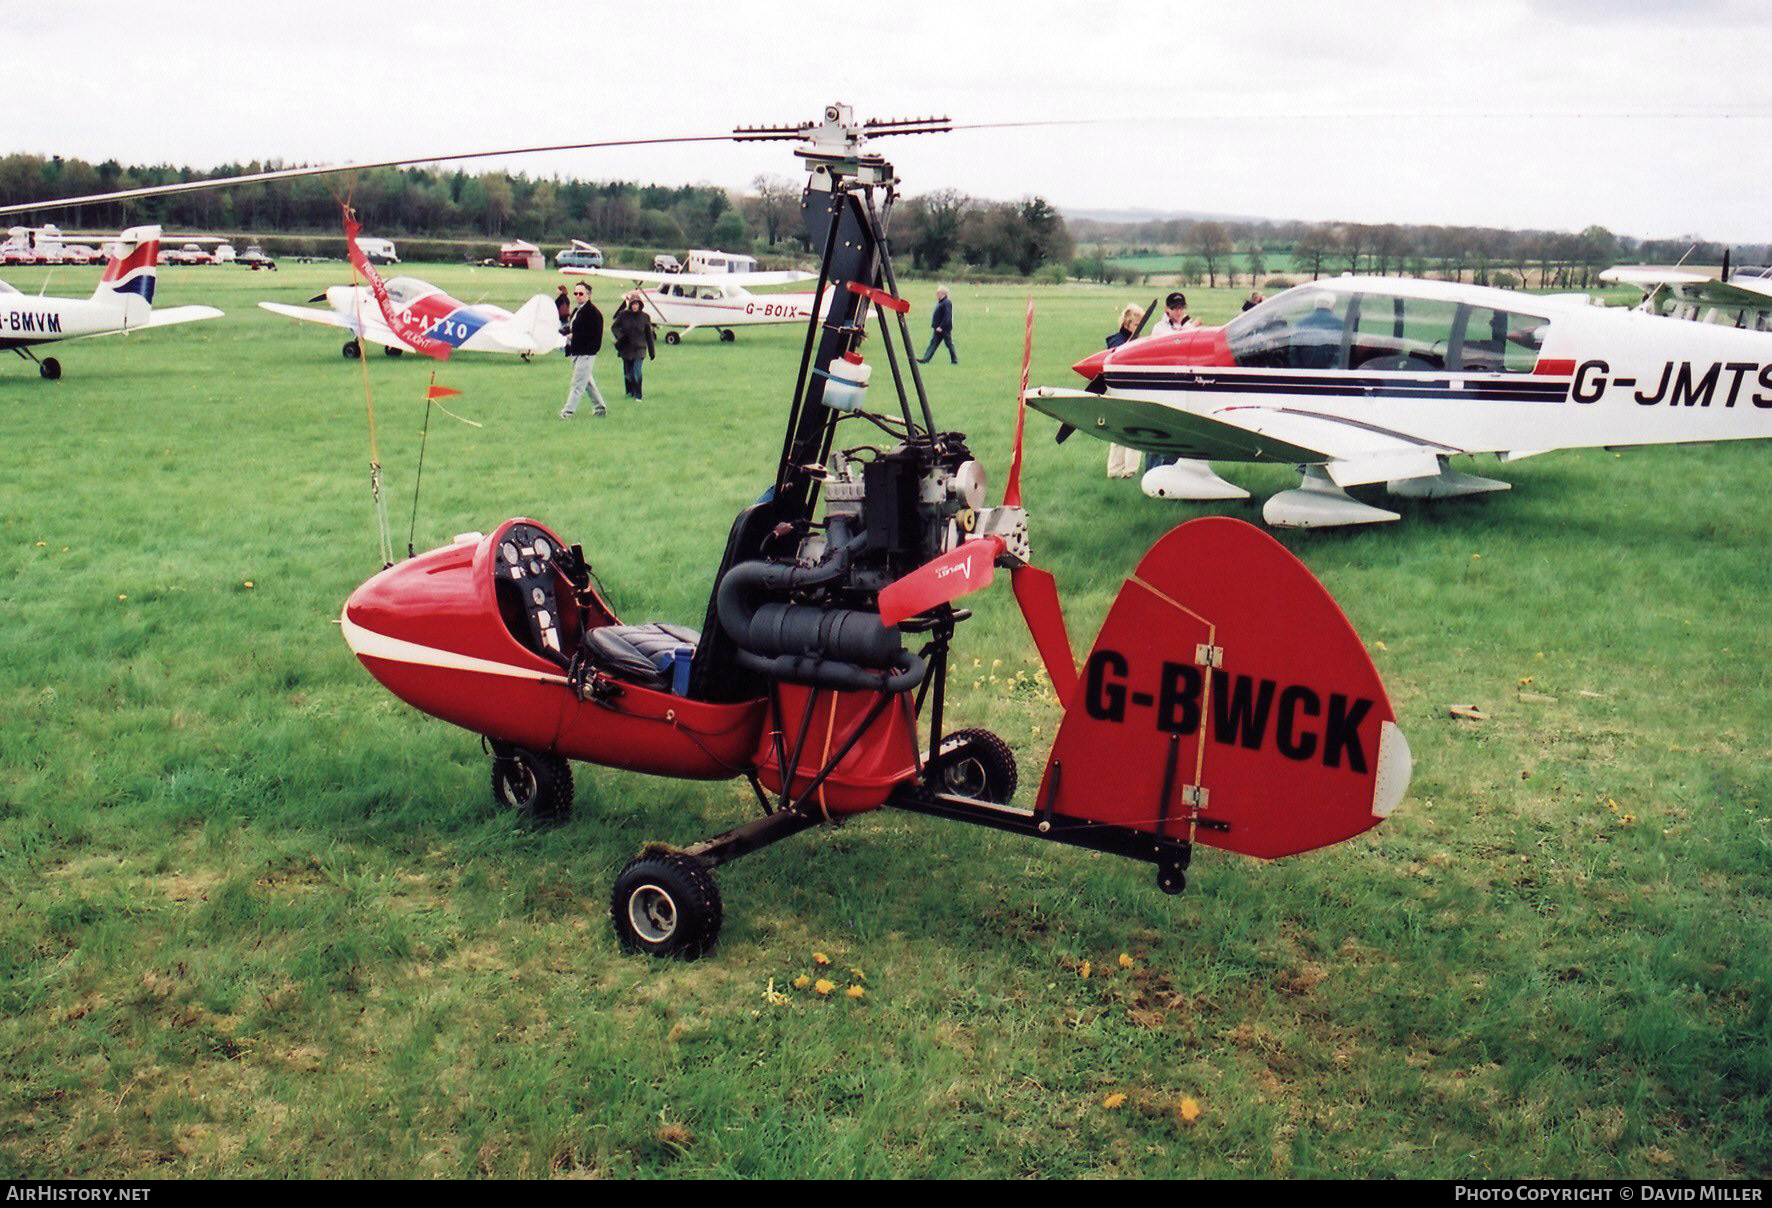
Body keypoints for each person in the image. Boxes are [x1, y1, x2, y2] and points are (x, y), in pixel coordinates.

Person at [1145, 293, 1200, 468]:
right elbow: (1173, 342)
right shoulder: (1159, 328)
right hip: (1162, 383)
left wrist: (1189, 327)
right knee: (1157, 428)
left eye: (1181, 308)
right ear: (1167, 309)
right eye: (1175, 308)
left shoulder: (1187, 326)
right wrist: (1188, 328)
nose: (1178, 311)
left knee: (1177, 430)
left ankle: (1172, 467)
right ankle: (1152, 469)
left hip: (1181, 384)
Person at [1105, 303, 1143, 479]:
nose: (1138, 328)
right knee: (1124, 431)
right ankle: (1119, 470)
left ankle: (1126, 470)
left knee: (1129, 430)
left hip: (1132, 391)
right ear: (1127, 324)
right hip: (1121, 391)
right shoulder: (1117, 340)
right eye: (1136, 324)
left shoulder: (1137, 341)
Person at [559, 282, 608, 419]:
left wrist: (574, 337)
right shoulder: (577, 310)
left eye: (581, 293)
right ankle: (600, 408)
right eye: (575, 293)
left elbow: (593, 334)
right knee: (586, 382)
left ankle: (567, 413)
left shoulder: (593, 313)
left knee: (577, 384)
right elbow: (573, 328)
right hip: (576, 351)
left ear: (588, 295)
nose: (578, 296)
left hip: (586, 353)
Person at [611, 292, 656, 400]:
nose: (635, 306)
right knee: (628, 373)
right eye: (633, 304)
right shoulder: (623, 315)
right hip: (626, 348)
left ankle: (638, 395)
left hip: (640, 348)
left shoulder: (645, 317)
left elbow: (649, 335)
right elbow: (614, 327)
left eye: (637, 304)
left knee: (637, 371)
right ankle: (629, 392)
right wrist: (621, 337)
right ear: (630, 305)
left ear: (640, 305)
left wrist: (651, 351)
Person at [918, 285, 956, 364]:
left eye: (938, 293)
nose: (937, 294)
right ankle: (925, 359)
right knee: (933, 343)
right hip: (938, 328)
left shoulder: (946, 302)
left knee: (949, 344)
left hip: (944, 328)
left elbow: (947, 316)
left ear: (943, 293)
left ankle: (954, 360)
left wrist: (941, 327)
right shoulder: (941, 302)